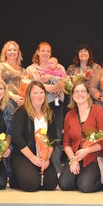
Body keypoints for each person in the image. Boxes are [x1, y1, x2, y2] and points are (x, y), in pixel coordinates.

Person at [59, 81, 103, 193]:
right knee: (64, 184)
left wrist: (87, 150)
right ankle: (81, 177)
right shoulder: (69, 115)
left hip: (94, 157)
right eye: (76, 92)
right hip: (76, 157)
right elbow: (66, 143)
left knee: (85, 186)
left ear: (88, 95)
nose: (80, 94)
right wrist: (72, 159)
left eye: (83, 91)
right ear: (72, 96)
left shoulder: (99, 111)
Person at [10, 81, 59, 192]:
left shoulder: (49, 113)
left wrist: (47, 157)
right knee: (31, 185)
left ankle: (32, 174)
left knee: (51, 184)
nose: (39, 96)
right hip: (24, 155)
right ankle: (16, 177)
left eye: (41, 92)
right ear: (29, 95)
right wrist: (32, 157)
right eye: (35, 93)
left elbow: (53, 139)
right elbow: (17, 138)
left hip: (42, 156)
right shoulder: (22, 111)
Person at [26, 42, 65, 175]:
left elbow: (65, 83)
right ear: (37, 52)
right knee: (39, 136)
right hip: (38, 107)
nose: (45, 54)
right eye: (42, 51)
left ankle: (57, 170)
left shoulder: (58, 66)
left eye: (48, 51)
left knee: (56, 137)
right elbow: (28, 86)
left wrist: (58, 87)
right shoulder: (31, 69)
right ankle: (38, 164)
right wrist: (45, 87)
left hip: (56, 105)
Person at [65, 43, 101, 115]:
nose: (83, 53)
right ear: (77, 54)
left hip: (91, 99)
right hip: (75, 99)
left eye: (85, 51)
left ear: (89, 54)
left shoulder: (96, 67)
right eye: (81, 51)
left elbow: (100, 84)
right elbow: (66, 84)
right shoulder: (72, 68)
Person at [0, 40, 27, 108]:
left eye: (14, 50)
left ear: (18, 53)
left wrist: (23, 100)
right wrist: (12, 96)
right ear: (5, 53)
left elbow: (26, 89)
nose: (12, 52)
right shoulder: (0, 66)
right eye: (9, 50)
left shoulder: (23, 70)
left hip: (20, 103)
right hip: (5, 102)